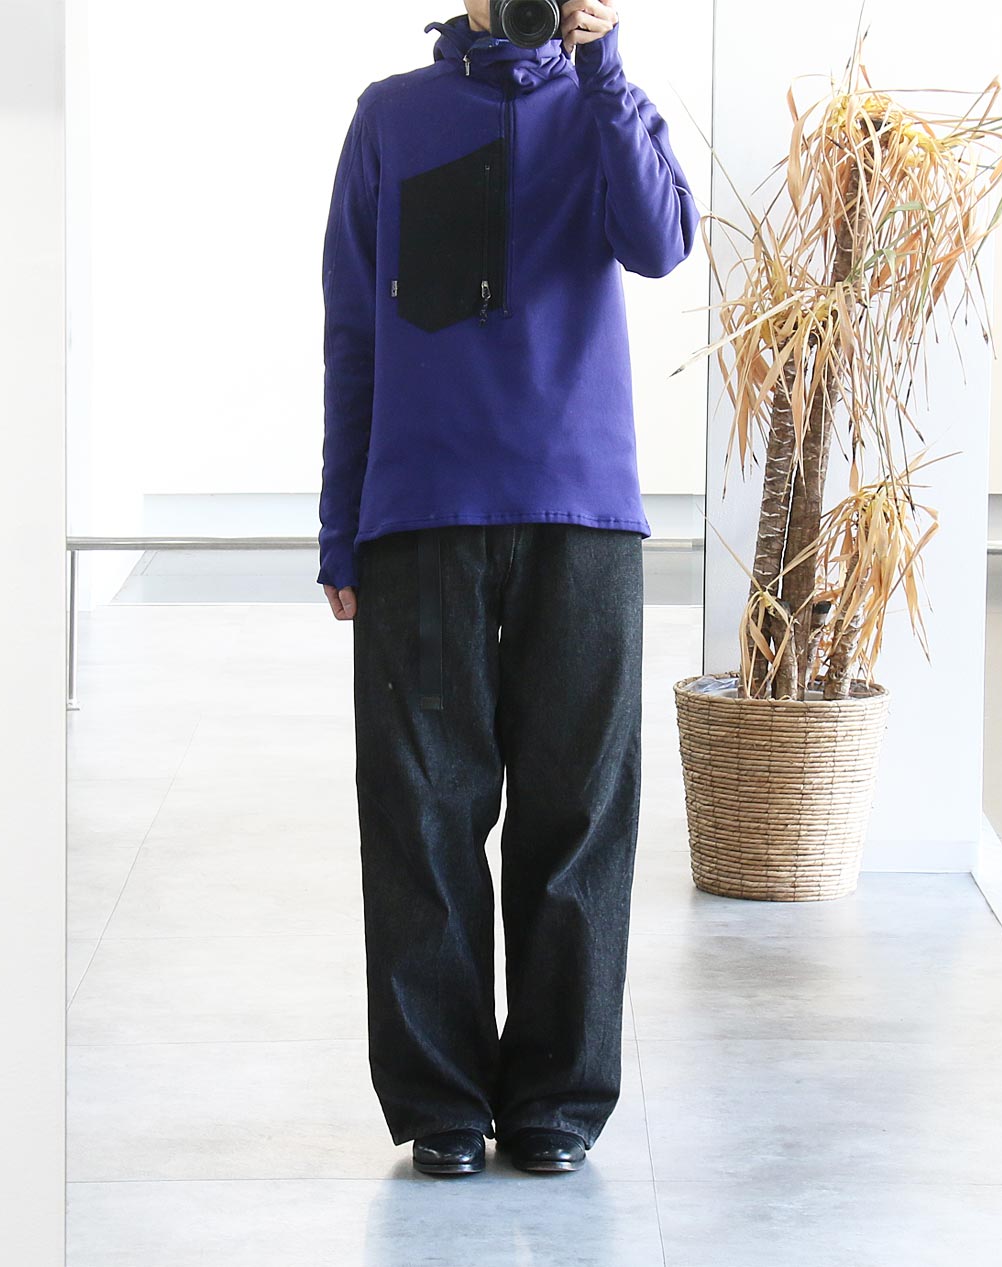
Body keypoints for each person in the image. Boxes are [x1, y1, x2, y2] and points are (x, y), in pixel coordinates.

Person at [316, 0, 699, 1176]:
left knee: (577, 811)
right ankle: (440, 1100)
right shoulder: (391, 117)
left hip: (582, 510)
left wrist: (604, 68)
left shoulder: (605, 106)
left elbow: (660, 242)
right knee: (419, 812)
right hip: (420, 515)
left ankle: (556, 1100)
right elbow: (352, 331)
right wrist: (342, 526)